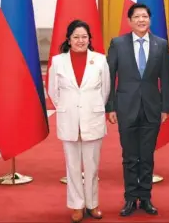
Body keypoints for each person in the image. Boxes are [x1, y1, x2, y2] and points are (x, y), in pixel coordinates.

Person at [106, 3, 169, 217]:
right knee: (129, 156)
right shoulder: (118, 44)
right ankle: (129, 198)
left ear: (150, 20)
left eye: (145, 16)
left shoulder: (161, 45)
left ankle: (145, 197)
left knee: (146, 156)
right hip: (126, 108)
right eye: (137, 16)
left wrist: (165, 107)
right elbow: (109, 76)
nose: (141, 20)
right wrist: (111, 107)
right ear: (129, 20)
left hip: (152, 109)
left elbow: (167, 79)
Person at [48, 20, 110, 223]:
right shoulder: (58, 61)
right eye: (76, 37)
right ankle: (76, 205)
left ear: (89, 39)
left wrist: (91, 107)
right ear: (69, 39)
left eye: (84, 37)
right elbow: (53, 91)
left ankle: (92, 204)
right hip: (69, 119)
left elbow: (105, 91)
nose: (80, 41)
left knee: (92, 166)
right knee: (72, 167)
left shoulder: (100, 60)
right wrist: (68, 106)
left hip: (92, 117)